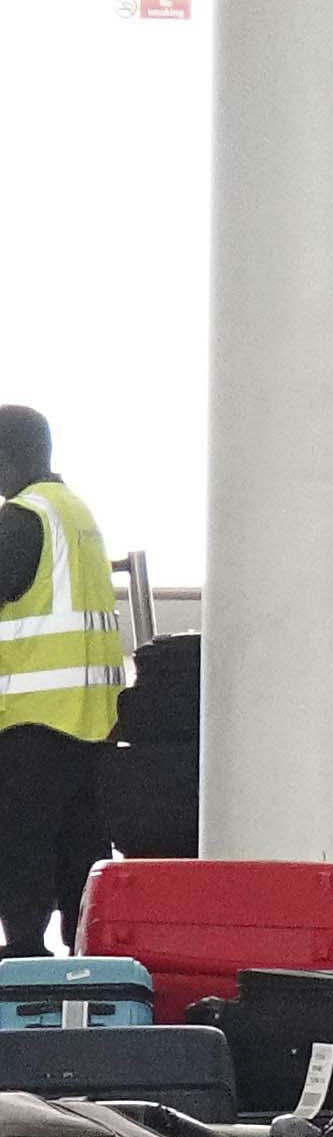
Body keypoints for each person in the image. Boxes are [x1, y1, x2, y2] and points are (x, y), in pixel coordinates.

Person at [0, 405, 121, 960]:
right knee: (80, 851)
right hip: (88, 719)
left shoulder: (24, 520)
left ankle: (25, 961)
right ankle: (87, 970)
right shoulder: (77, 515)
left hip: (33, 717)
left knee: (21, 846)